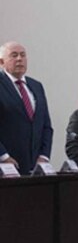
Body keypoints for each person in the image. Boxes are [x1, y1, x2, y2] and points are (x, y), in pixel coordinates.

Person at [0, 42, 53, 175]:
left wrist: (44, 156)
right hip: (6, 167)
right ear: (2, 62)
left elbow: (46, 126)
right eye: (14, 55)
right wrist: (4, 157)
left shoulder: (36, 86)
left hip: (34, 167)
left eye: (23, 55)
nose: (19, 59)